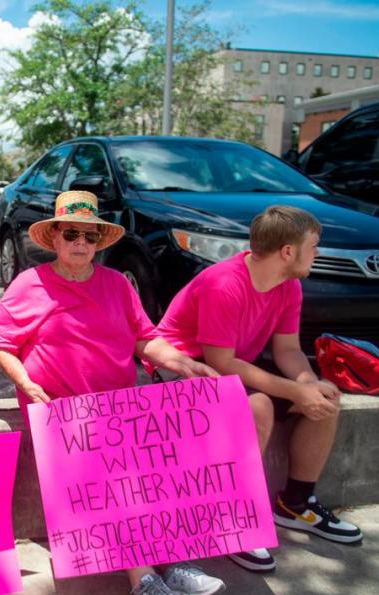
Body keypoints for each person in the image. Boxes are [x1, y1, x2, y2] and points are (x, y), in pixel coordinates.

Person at [0, 191, 224, 595]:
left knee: (155, 469)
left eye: (89, 236)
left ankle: (171, 564)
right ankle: (144, 580)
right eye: (71, 233)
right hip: (63, 416)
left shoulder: (115, 284)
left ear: (99, 241)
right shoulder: (29, 284)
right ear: (54, 237)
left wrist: (183, 363)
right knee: (115, 482)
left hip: (118, 411)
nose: (80, 243)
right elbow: (0, 342)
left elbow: (143, 339)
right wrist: (25, 383)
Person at [155, 204, 362, 573]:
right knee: (259, 406)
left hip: (232, 365)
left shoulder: (288, 285)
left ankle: (296, 505)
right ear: (287, 251)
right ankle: (228, 519)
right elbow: (221, 363)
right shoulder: (224, 283)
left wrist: (308, 386)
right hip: (180, 368)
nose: (318, 253)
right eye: (313, 246)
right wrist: (294, 392)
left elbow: (288, 351)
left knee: (324, 398)